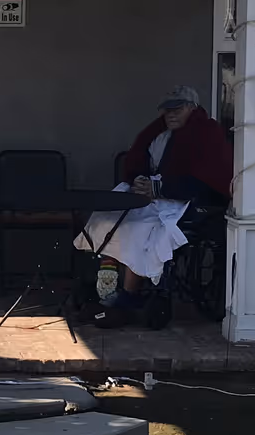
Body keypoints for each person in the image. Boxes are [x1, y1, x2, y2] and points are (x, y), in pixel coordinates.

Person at [84, 84, 234, 315]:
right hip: (154, 196)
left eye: (178, 108)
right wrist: (139, 181)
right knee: (107, 217)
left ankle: (130, 293)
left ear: (192, 108)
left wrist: (161, 188)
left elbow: (208, 178)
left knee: (140, 228)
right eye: (167, 109)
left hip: (186, 202)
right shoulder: (157, 133)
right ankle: (107, 285)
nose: (171, 114)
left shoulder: (207, 133)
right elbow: (139, 163)